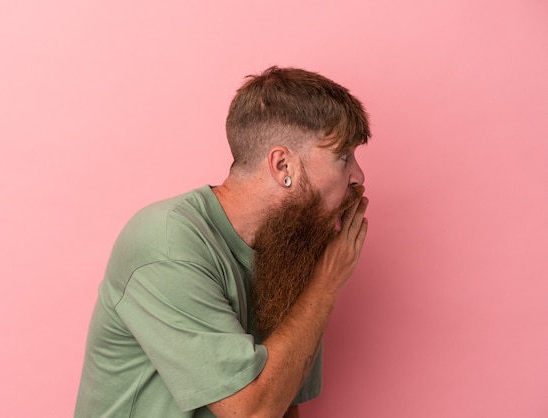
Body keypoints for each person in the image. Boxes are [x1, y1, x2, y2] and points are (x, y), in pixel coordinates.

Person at [75, 66, 371, 418]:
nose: (358, 176)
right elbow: (251, 413)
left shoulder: (293, 248)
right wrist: (325, 285)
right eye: (342, 157)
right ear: (283, 166)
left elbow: (282, 399)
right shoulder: (166, 244)